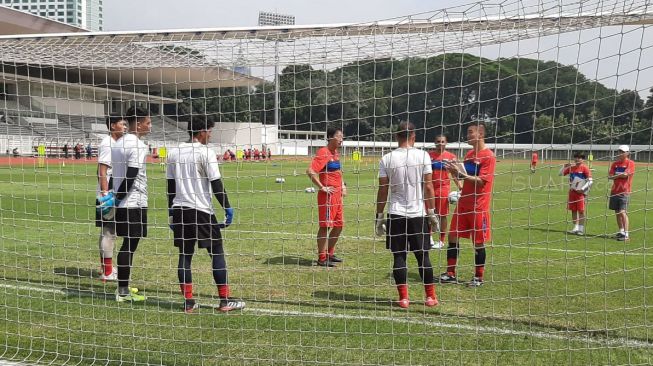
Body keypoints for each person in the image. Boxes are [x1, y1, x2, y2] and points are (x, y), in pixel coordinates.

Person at [167, 116, 244, 313]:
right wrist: (227, 207)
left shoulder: (173, 152)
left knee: (185, 254)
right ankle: (225, 300)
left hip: (180, 210)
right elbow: (216, 183)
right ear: (202, 131)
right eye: (209, 131)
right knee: (216, 251)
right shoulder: (206, 152)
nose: (210, 135)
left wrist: (171, 212)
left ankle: (188, 302)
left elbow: (170, 186)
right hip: (200, 210)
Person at [374, 121, 439, 308]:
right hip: (418, 213)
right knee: (422, 256)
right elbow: (428, 186)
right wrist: (432, 213)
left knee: (399, 256)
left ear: (396, 136)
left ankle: (403, 298)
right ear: (414, 136)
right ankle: (430, 297)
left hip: (396, 214)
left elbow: (383, 189)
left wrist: (379, 216)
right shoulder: (423, 155)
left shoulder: (387, 159)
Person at [100, 106, 152, 302]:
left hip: (122, 203)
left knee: (127, 244)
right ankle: (122, 291)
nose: (150, 126)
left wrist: (115, 199)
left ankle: (124, 287)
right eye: (148, 122)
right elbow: (131, 176)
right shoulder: (138, 145)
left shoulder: (118, 143)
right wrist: (118, 198)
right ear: (137, 123)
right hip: (133, 201)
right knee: (129, 245)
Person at [441, 122, 496, 287]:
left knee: (478, 242)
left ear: (480, 134)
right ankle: (450, 273)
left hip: (478, 206)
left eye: (470, 132)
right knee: (452, 236)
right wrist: (454, 174)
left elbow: (481, 182)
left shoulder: (489, 156)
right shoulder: (469, 154)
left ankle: (478, 277)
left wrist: (461, 174)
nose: (467, 135)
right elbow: (464, 180)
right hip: (463, 203)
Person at [306, 126, 347, 267]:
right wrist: (322, 187)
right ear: (331, 137)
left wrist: (343, 185)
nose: (342, 139)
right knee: (325, 226)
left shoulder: (335, 153)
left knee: (339, 225)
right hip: (327, 197)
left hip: (337, 195)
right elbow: (310, 171)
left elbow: (338, 171)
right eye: (339, 136)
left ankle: (330, 253)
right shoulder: (323, 152)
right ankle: (322, 258)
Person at [95, 114, 127, 282]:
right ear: (113, 126)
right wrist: (106, 195)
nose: (125, 127)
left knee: (108, 232)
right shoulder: (108, 144)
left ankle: (105, 269)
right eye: (122, 124)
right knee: (109, 233)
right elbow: (102, 171)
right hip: (108, 195)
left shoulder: (115, 143)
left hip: (110, 194)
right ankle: (107, 271)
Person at [428, 134, 463, 249]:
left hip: (443, 188)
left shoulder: (451, 156)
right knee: (429, 212)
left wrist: (460, 187)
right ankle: (429, 237)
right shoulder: (429, 156)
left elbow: (454, 174)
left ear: (446, 143)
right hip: (430, 188)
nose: (440, 144)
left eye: (443, 141)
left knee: (442, 215)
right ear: (435, 142)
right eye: (438, 141)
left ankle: (441, 240)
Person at [560, 152, 592, 236]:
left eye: (579, 157)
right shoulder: (571, 168)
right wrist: (564, 166)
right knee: (573, 210)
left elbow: (590, 180)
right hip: (572, 192)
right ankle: (575, 228)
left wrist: (582, 189)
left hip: (580, 194)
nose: (577, 159)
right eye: (576, 157)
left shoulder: (585, 168)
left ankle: (581, 229)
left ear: (583, 159)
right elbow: (560, 174)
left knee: (581, 211)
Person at [608, 145, 635, 241]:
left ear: (627, 153)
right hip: (614, 191)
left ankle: (626, 235)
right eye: (619, 151)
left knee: (623, 212)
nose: (620, 153)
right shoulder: (615, 164)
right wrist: (619, 175)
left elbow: (625, 175)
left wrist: (616, 175)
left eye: (622, 152)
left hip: (625, 191)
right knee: (617, 212)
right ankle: (621, 232)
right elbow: (609, 176)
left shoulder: (630, 163)